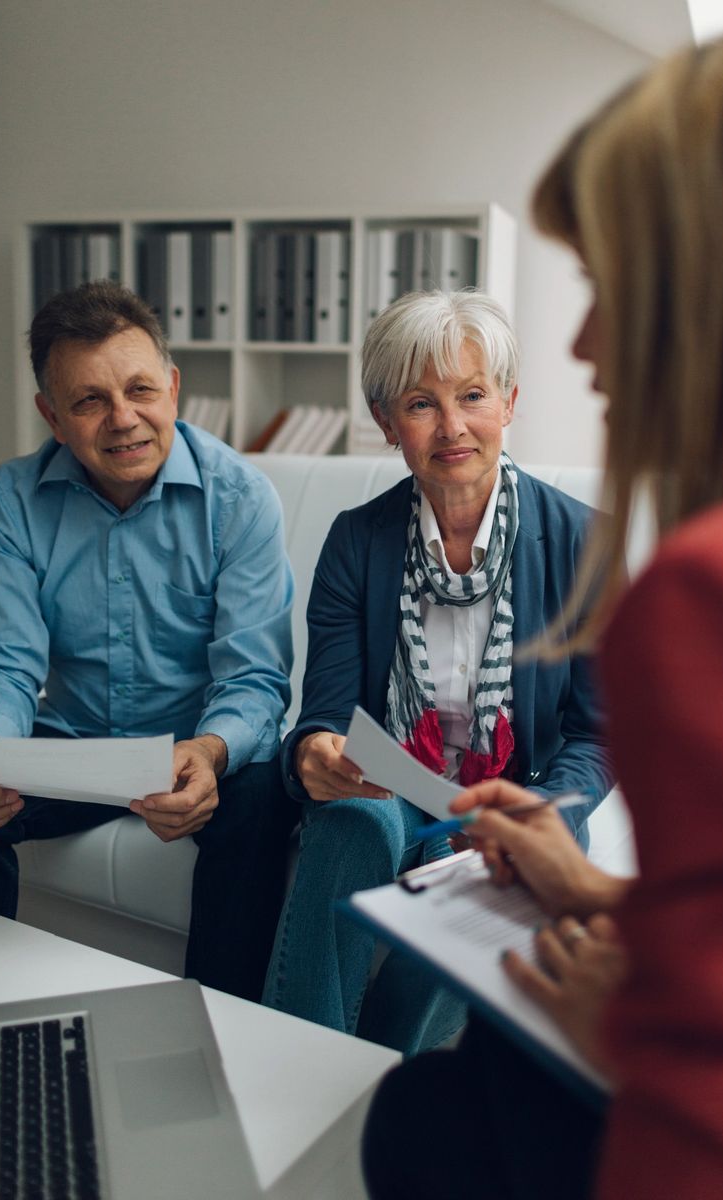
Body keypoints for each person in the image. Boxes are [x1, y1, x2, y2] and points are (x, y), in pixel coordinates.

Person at [362, 22, 723, 1200]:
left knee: (429, 1114)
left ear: (721, 282)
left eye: (605, 283)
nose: (583, 344)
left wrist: (643, 1038)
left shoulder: (717, 588)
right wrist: (602, 895)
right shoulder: (364, 541)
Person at [262, 289, 613, 1055]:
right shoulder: (356, 540)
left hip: (514, 799)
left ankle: (378, 1075)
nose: (452, 427)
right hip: (391, 790)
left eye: (473, 396)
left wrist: (539, 816)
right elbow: (325, 714)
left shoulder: (586, 544)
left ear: (509, 402)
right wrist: (314, 751)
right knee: (352, 818)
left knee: (494, 883)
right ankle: (296, 1061)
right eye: (422, 404)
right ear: (388, 423)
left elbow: (597, 736)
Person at [0, 280, 298, 1003]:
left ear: (173, 389)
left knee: (260, 793)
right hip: (72, 748)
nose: (123, 419)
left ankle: (221, 1022)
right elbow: (7, 663)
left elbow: (253, 678)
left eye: (140, 390)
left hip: (194, 749)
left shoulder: (241, 498)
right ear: (51, 416)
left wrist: (210, 751)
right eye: (90, 400)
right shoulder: (9, 499)